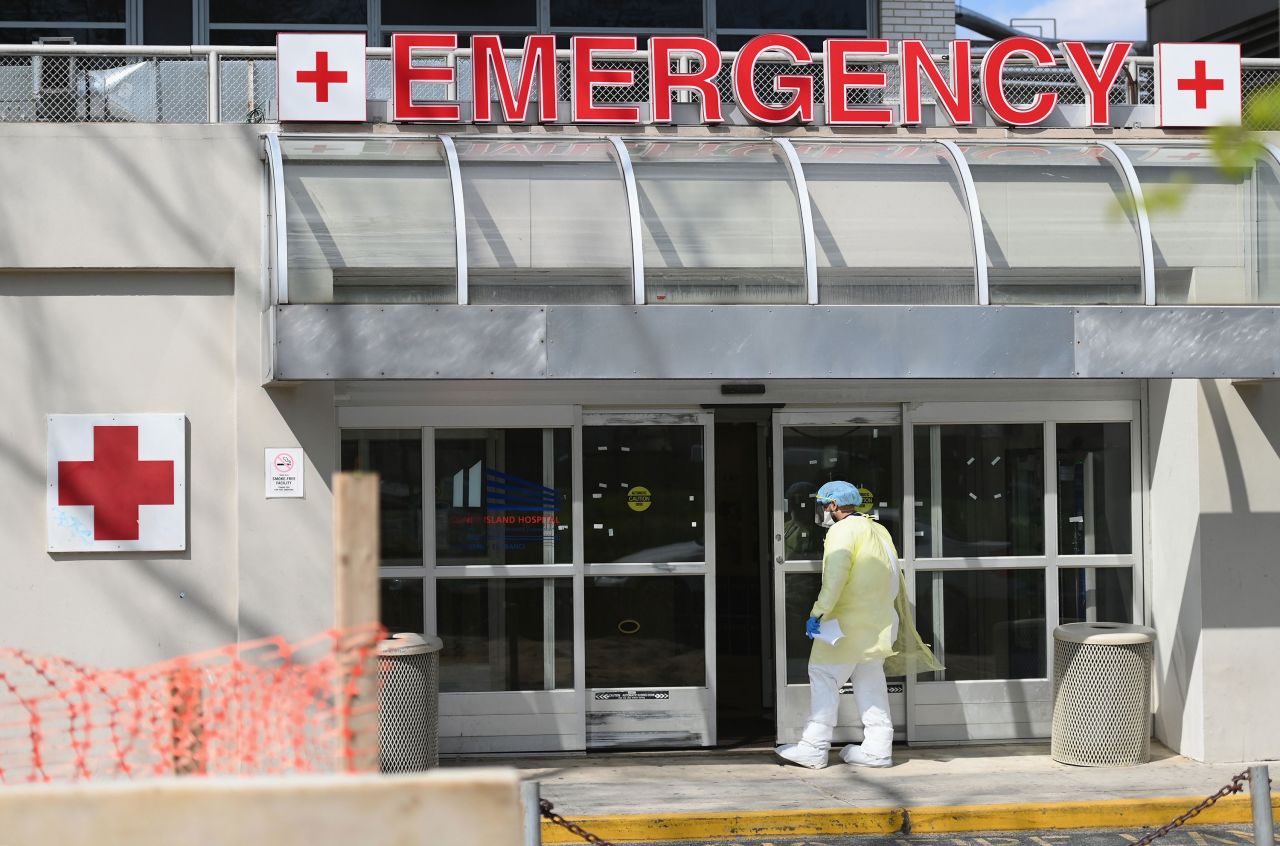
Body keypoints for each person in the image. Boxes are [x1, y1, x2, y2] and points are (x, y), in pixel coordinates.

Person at [775, 480, 901, 769]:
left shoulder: (842, 531)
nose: (819, 511)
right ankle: (878, 749)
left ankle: (813, 747)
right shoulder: (876, 529)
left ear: (833, 505)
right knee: (870, 681)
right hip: (879, 623)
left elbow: (835, 579)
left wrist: (818, 614)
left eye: (821, 505)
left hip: (848, 624)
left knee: (822, 675)